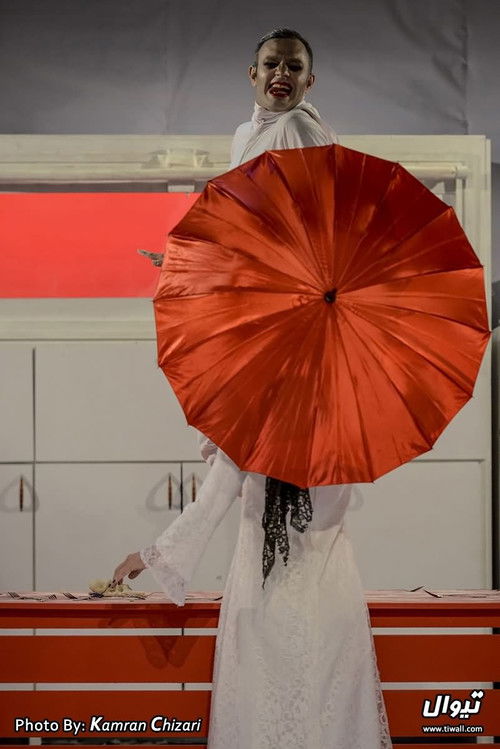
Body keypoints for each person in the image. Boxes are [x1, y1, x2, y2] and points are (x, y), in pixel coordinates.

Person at [113, 28, 393, 749]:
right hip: (308, 597)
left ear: (310, 79)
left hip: (275, 599)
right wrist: (203, 263)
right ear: (252, 72)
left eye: (294, 66)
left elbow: (291, 239)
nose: (281, 75)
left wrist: (158, 553)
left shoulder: (300, 134)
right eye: (272, 64)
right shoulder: (336, 408)